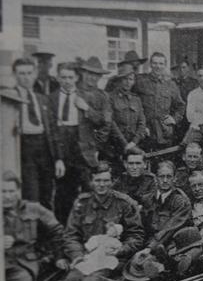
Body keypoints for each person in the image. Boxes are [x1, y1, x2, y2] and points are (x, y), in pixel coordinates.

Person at [61, 162, 143, 281]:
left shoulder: (124, 203)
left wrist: (121, 250)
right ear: (91, 181)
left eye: (106, 180)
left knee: (96, 273)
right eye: (98, 180)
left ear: (112, 181)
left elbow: (136, 235)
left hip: (115, 257)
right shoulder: (81, 203)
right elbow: (71, 235)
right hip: (89, 255)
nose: (102, 185)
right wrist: (77, 255)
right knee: (70, 280)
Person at [52, 61, 108, 222]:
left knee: (88, 190)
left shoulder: (87, 96)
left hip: (83, 151)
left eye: (70, 77)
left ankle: (89, 229)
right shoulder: (52, 98)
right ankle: (63, 232)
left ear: (75, 77)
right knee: (63, 193)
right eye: (63, 77)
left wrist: (86, 108)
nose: (67, 81)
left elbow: (102, 120)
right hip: (63, 150)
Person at [3, 171, 67, 281]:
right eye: (2, 191)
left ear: (18, 191)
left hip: (23, 263)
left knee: (22, 280)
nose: (7, 196)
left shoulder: (33, 209)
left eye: (11, 191)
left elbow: (57, 230)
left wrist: (59, 256)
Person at [13, 58, 64, 210]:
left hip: (45, 151)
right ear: (15, 75)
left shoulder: (42, 99)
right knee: (31, 196)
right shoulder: (9, 98)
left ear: (35, 74)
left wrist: (59, 159)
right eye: (21, 73)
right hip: (24, 151)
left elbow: (54, 131)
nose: (26, 77)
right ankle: (32, 233)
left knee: (47, 196)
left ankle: (47, 234)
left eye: (29, 73)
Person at [132, 52, 185, 150]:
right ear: (150, 65)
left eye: (161, 64)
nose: (158, 66)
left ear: (165, 65)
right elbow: (132, 103)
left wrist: (174, 119)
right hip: (145, 131)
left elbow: (180, 106)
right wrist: (139, 125)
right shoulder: (140, 81)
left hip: (164, 132)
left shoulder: (171, 85)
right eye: (155, 63)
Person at [138, 161, 192, 251]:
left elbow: (169, 230)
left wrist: (149, 248)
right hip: (147, 243)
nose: (165, 180)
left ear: (175, 178)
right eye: (162, 177)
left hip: (171, 245)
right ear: (155, 178)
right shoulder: (147, 199)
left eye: (169, 177)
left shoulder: (181, 201)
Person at [108, 65, 147, 161]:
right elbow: (111, 123)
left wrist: (133, 143)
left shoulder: (136, 99)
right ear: (119, 80)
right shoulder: (110, 98)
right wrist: (126, 145)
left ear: (134, 81)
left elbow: (142, 123)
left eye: (131, 79)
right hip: (116, 146)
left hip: (134, 144)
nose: (128, 82)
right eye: (125, 79)